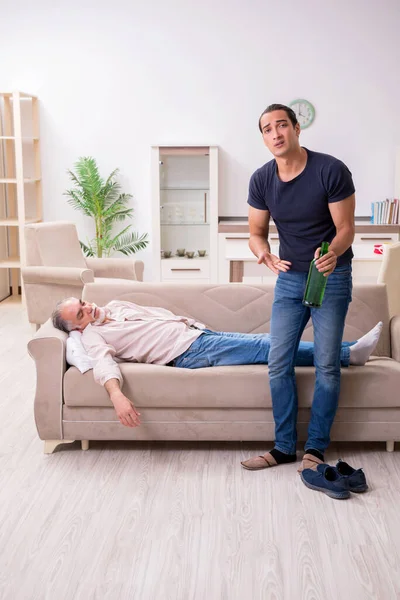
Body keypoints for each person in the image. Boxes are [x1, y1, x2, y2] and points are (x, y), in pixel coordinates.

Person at [52, 297, 381, 430]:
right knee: (271, 344)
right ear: (78, 328)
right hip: (187, 352)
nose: (88, 309)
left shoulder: (114, 305)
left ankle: (347, 353)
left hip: (197, 333)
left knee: (268, 345)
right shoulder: (93, 337)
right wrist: (116, 396)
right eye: (80, 314)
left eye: (82, 303)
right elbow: (104, 365)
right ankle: (346, 354)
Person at [243, 102, 356, 472]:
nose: (275, 134)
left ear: (296, 128)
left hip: (330, 276)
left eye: (281, 126)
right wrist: (264, 254)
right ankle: (283, 447)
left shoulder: (330, 170)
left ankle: (316, 449)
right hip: (289, 278)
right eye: (267, 129)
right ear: (263, 137)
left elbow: (346, 229)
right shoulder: (261, 179)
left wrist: (334, 254)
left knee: (326, 364)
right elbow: (256, 233)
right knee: (278, 362)